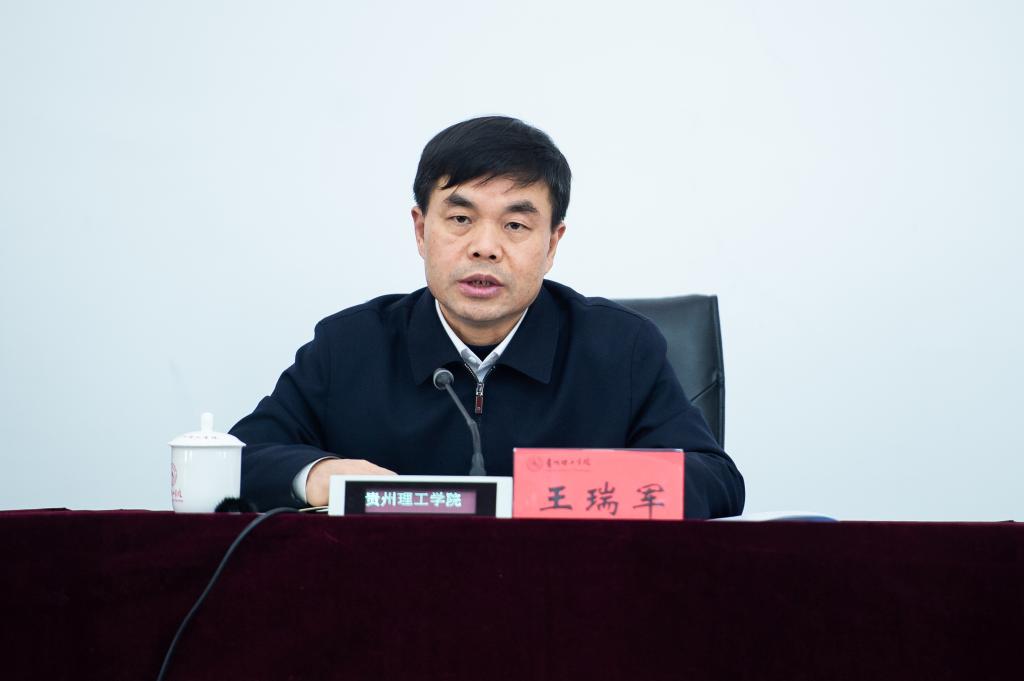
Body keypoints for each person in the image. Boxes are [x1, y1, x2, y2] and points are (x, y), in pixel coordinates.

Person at [230, 115, 744, 518]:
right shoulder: (350, 345)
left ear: (552, 244)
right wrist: (316, 474)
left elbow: (716, 480)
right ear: (420, 230)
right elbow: (236, 461)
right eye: (460, 218)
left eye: (516, 225)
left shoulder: (620, 349)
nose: (485, 247)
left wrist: (566, 486)